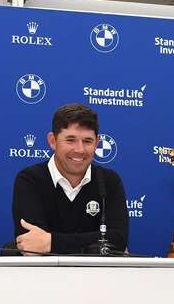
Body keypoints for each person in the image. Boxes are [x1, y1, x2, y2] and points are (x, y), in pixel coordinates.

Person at [11, 103, 128, 254]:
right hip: (42, 276)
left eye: (87, 141)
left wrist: (51, 242)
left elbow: (118, 240)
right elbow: (31, 244)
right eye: (70, 140)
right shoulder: (29, 179)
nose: (79, 150)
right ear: (53, 141)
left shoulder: (109, 181)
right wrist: (94, 244)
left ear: (97, 142)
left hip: (97, 276)